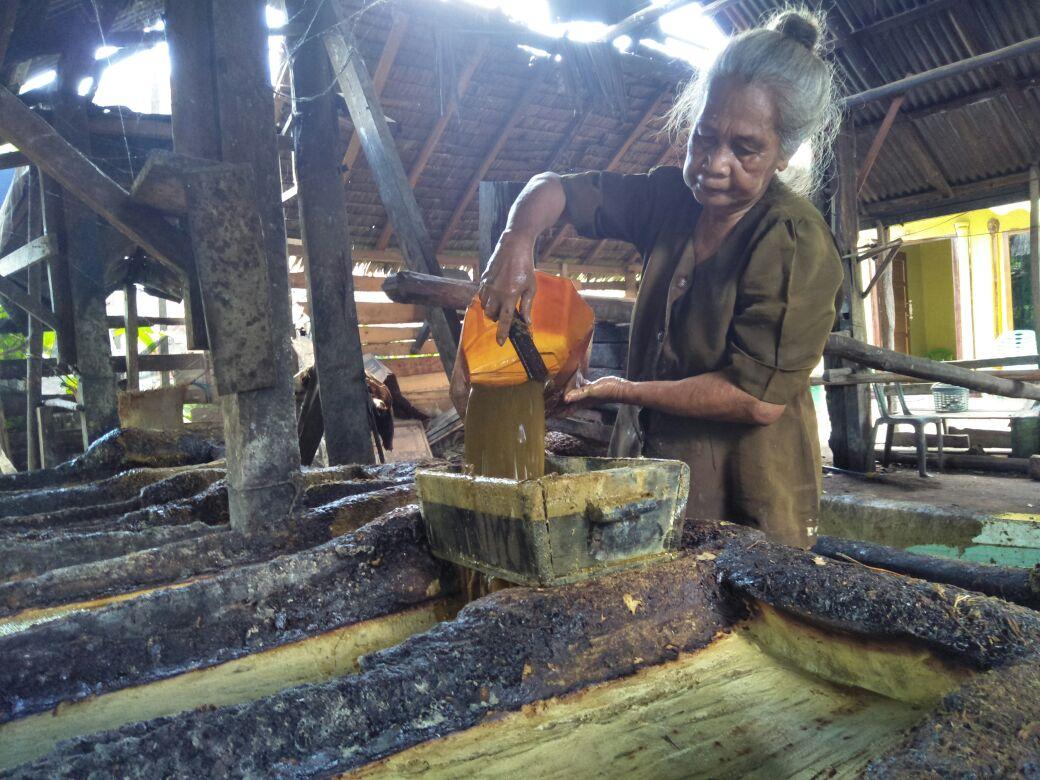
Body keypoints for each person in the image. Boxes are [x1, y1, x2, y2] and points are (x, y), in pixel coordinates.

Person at [476, 8, 844, 548]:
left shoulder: (793, 239)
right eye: (704, 138)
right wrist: (517, 239)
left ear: (784, 152)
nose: (714, 164)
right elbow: (554, 187)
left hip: (749, 497)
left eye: (745, 149)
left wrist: (625, 390)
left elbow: (755, 398)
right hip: (659, 479)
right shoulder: (669, 200)